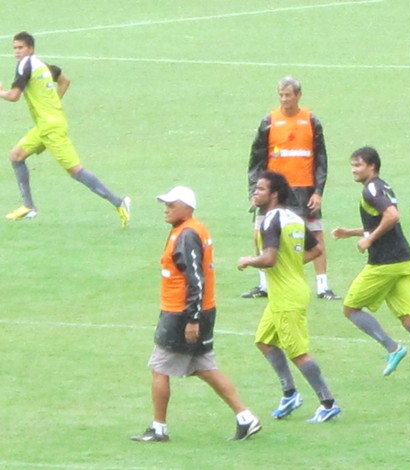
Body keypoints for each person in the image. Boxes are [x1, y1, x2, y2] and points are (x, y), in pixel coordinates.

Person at [131, 186, 261, 442]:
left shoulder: (187, 234)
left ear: (187, 208)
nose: (166, 209)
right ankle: (246, 418)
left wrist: (192, 319)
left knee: (159, 368)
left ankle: (159, 428)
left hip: (181, 313)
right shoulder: (191, 230)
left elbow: (195, 278)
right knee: (204, 367)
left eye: (171, 204)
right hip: (196, 310)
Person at [331, 147, 410, 387]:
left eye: (358, 165)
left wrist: (369, 239)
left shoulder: (371, 189)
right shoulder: (383, 186)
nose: (354, 170)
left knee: (350, 309)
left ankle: (392, 348)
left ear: (372, 166)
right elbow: (381, 220)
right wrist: (351, 232)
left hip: (384, 263)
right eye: (352, 166)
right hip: (402, 260)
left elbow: (392, 216)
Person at [238, 171, 341, 423]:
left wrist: (249, 260)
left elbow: (269, 259)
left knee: (298, 353)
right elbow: (316, 248)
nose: (255, 192)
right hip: (287, 293)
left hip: (286, 298)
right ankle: (290, 394)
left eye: (261, 189)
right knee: (264, 341)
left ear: (274, 194)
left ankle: (328, 402)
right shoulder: (292, 218)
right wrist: (292, 263)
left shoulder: (270, 221)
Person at [0, 31, 130, 227]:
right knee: (16, 156)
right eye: (15, 48)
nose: (17, 52)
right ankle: (28, 207)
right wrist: (52, 106)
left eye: (21, 48)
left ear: (31, 48)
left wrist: (1, 92)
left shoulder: (25, 65)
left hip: (51, 129)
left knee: (76, 171)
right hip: (46, 124)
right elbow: (65, 81)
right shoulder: (42, 65)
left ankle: (119, 203)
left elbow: (14, 96)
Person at [243, 76, 340, 300]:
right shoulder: (269, 121)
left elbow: (320, 159)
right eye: (281, 95)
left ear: (298, 95)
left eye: (288, 95)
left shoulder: (311, 121)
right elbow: (256, 159)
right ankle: (264, 284)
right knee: (260, 232)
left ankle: (323, 286)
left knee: (315, 233)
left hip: (304, 189)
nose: (284, 99)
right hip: (273, 190)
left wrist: (318, 191)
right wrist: (253, 191)